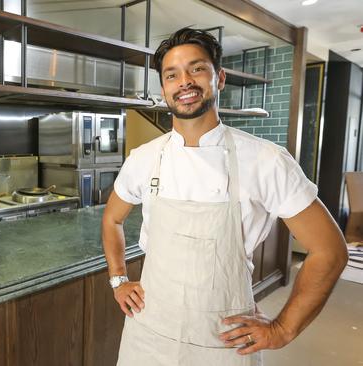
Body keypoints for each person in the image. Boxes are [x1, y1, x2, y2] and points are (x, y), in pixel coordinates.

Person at [102, 27, 348, 366]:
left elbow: (330, 250)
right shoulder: (144, 158)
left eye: (196, 68)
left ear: (219, 78)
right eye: (172, 75)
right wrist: (118, 279)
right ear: (164, 89)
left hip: (225, 341)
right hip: (148, 335)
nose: (184, 81)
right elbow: (112, 218)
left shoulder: (266, 160)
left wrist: (283, 329)